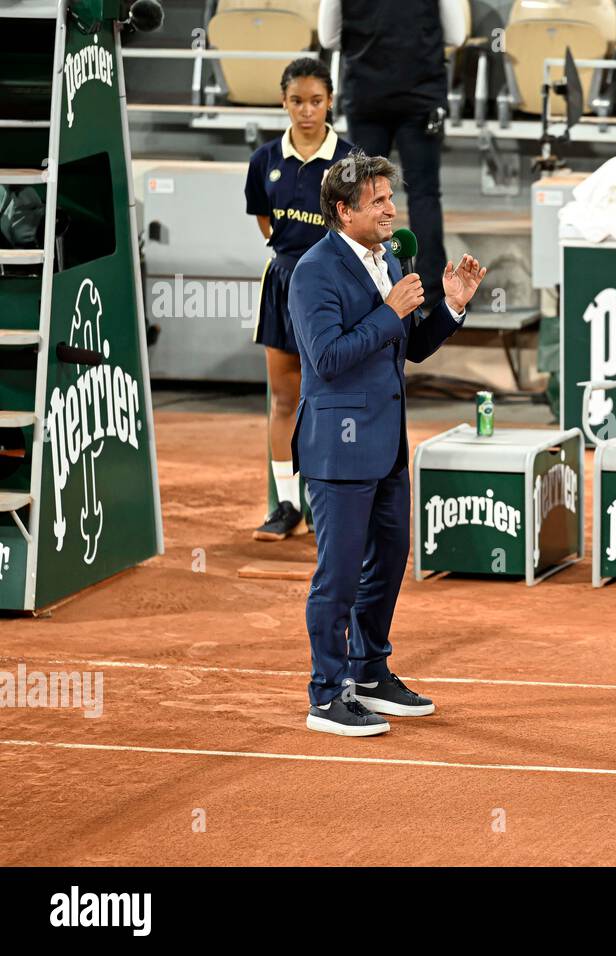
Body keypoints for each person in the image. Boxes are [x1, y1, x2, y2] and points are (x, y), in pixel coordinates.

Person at [288, 149, 487, 736]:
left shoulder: (383, 259)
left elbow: (410, 347)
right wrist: (389, 310)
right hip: (337, 446)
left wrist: (451, 304)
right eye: (377, 201)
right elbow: (326, 358)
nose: (390, 210)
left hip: (385, 445)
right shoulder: (314, 271)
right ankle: (326, 694)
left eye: (389, 198)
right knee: (340, 574)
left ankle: (370, 671)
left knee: (389, 561)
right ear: (343, 210)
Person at [245, 57, 353, 541]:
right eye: (296, 101)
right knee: (285, 399)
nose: (306, 111)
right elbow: (266, 224)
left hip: (336, 286)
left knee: (333, 397)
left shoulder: (350, 161)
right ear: (283, 102)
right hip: (283, 284)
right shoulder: (263, 160)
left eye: (315, 101)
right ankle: (287, 505)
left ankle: (334, 506)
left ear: (330, 101)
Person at [317, 0, 466, 290]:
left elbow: (328, 38)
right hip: (421, 95)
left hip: (366, 94)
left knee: (363, 194)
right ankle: (431, 289)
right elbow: (456, 36)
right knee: (424, 194)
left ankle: (363, 284)